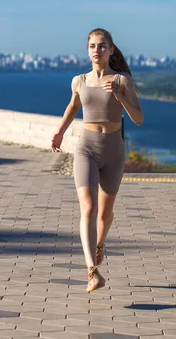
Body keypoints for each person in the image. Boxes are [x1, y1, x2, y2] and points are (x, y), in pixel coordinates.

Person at [51, 28, 144, 292]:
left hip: (114, 150)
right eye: (92, 46)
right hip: (86, 148)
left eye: (102, 46)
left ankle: (100, 244)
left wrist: (118, 95)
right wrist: (59, 132)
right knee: (89, 209)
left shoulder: (122, 80)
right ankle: (92, 271)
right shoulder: (78, 81)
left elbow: (138, 118)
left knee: (105, 213)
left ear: (111, 50)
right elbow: (73, 106)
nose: (97, 50)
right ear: (88, 50)